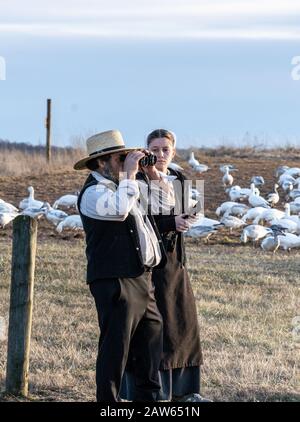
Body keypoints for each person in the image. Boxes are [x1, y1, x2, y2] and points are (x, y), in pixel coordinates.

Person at [74, 129, 167, 402]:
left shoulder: (127, 184)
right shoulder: (93, 193)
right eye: (120, 158)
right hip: (113, 279)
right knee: (116, 347)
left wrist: (151, 175)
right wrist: (129, 174)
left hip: (141, 276)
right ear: (101, 163)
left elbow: (170, 203)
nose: (127, 163)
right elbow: (118, 211)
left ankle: (149, 402)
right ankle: (109, 403)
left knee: (150, 344)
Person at [121, 129, 210, 402]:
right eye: (155, 149)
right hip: (149, 262)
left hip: (175, 261)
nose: (160, 155)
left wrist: (188, 217)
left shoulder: (178, 176)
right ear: (146, 150)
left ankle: (185, 391)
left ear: (173, 151)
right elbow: (136, 224)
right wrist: (171, 223)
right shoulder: (137, 181)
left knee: (181, 324)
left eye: (165, 149)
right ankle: (153, 390)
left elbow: (189, 207)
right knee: (153, 327)